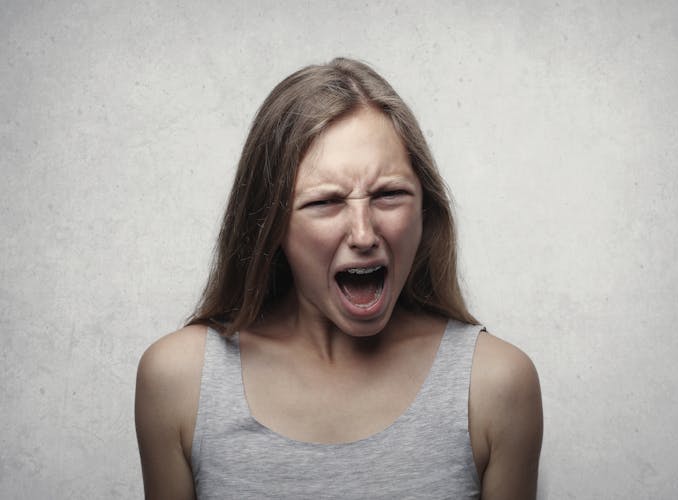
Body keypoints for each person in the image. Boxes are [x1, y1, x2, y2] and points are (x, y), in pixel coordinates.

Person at [135, 57, 542, 499]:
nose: (364, 234)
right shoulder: (179, 382)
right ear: (270, 226)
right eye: (326, 202)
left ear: (426, 211)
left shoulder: (496, 386)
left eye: (389, 194)